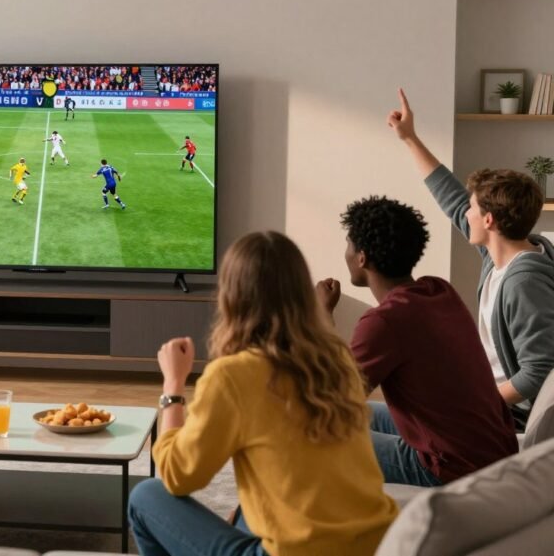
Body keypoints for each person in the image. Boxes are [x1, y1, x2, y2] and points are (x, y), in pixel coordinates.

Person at [128, 231, 398, 556]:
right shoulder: (336, 358)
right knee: (246, 505)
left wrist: (173, 384)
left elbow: (177, 476)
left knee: (146, 497)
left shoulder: (233, 376)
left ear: (231, 296)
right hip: (375, 546)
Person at [317, 196, 517, 487]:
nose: (345, 253)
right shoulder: (439, 290)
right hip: (493, 451)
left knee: (308, 431)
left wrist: (323, 316)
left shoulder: (384, 322)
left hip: (453, 467)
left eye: (349, 245)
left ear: (361, 258)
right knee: (369, 414)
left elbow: (328, 400)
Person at [388, 88, 554, 429]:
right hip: (484, 399)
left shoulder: (524, 281)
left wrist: (473, 405)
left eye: (473, 209)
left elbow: (539, 369)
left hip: (508, 418)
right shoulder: (500, 255)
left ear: (489, 221)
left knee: (380, 427)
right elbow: (449, 196)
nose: (466, 212)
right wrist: (410, 139)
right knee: (381, 415)